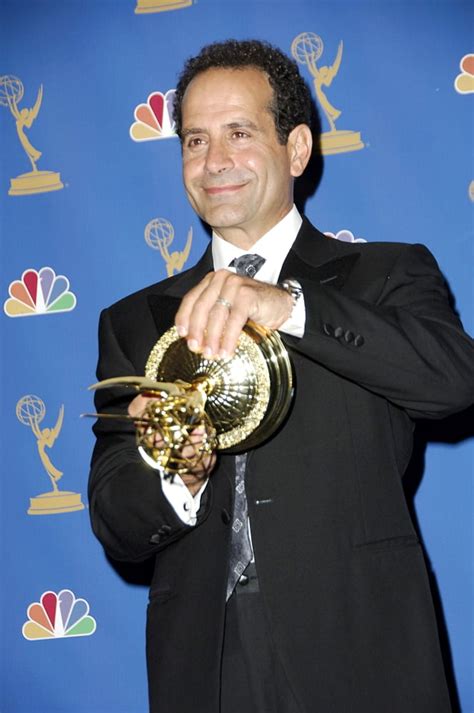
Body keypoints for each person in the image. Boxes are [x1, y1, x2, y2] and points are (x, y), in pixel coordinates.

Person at [88, 39, 474, 713]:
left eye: (239, 133)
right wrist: (177, 476)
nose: (214, 163)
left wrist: (289, 305)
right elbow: (118, 520)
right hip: (205, 666)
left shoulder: (384, 276)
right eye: (195, 140)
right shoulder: (134, 322)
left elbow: (453, 380)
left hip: (361, 655)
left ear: (297, 149)